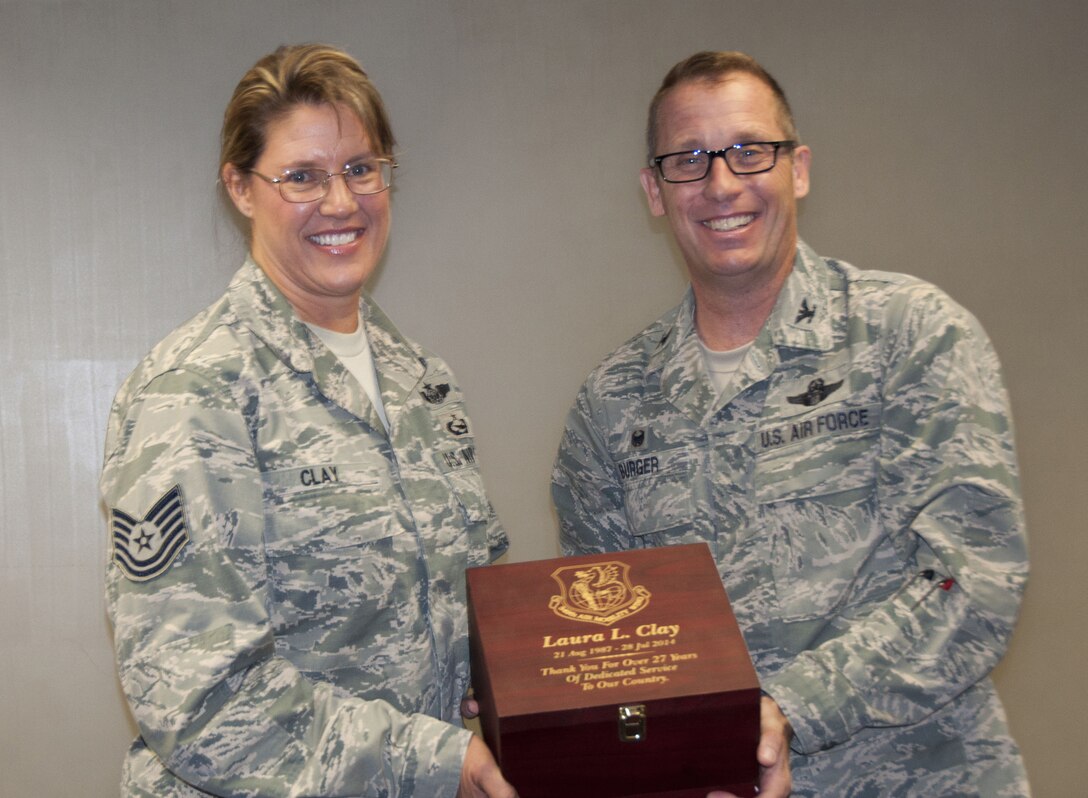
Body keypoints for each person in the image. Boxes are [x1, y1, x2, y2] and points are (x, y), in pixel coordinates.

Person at [551, 50, 1029, 797]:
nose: (721, 184)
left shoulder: (909, 334)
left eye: (749, 152)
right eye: (689, 160)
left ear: (797, 169)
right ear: (654, 190)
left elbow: (975, 581)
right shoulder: (612, 405)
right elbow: (611, 645)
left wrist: (791, 713)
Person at [102, 44, 515, 798]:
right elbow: (197, 701)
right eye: (302, 176)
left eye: (363, 168)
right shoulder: (196, 390)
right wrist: (434, 762)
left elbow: (473, 607)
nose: (341, 202)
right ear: (241, 187)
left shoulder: (424, 384)